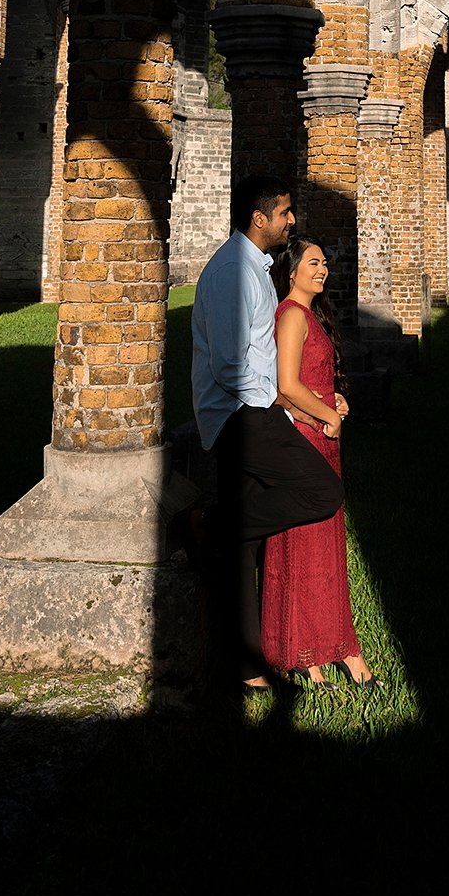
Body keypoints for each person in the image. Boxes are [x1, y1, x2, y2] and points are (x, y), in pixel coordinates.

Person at [188, 175, 344, 691]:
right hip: (240, 414)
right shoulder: (236, 271)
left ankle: (248, 663)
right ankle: (212, 522)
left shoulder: (252, 268)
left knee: (245, 547)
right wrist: (280, 402)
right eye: (284, 212)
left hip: (251, 410)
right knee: (322, 490)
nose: (291, 220)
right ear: (260, 219)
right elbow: (231, 365)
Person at [261, 238, 377, 687]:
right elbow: (285, 385)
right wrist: (326, 413)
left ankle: (336, 643)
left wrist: (334, 399)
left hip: (320, 435)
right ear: (291, 271)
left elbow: (309, 380)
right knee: (305, 543)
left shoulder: (310, 315)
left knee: (325, 543)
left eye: (325, 262)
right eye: (313, 262)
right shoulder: (291, 315)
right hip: (305, 440)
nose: (323, 269)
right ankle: (305, 649)